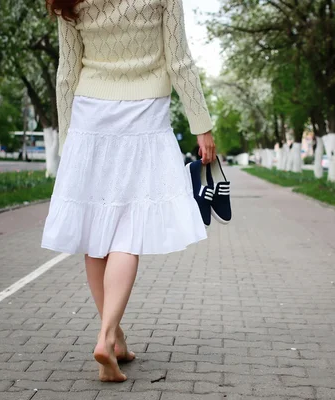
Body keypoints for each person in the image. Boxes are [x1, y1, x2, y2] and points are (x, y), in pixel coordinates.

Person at [41, 0, 216, 383]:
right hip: (145, 109)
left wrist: (69, 138)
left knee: (94, 225)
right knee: (128, 227)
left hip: (90, 111)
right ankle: (108, 335)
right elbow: (180, 59)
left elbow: (67, 72)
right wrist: (201, 124)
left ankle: (114, 336)